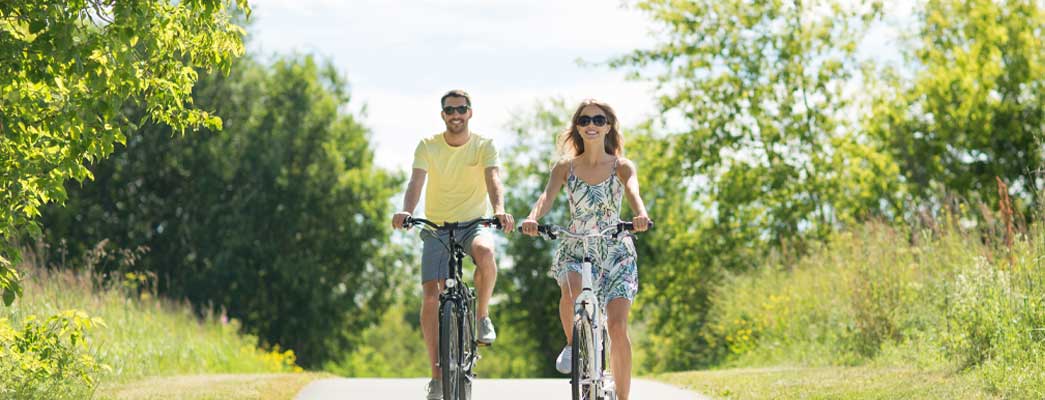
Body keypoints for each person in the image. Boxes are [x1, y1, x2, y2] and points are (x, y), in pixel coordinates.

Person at [520, 99, 650, 400]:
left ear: (608, 126)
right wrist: (532, 218)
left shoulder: (622, 166)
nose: (591, 124)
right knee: (571, 293)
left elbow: (633, 193)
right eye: (584, 120)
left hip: (615, 250)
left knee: (617, 327)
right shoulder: (565, 167)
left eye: (598, 120)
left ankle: (623, 397)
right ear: (577, 127)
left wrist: (640, 215)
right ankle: (573, 343)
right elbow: (546, 197)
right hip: (576, 245)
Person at [392, 89, 514, 400]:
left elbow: (493, 179)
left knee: (486, 252)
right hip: (436, 227)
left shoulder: (483, 145)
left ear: (470, 112)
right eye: (449, 110)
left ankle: (482, 316)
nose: (455, 114)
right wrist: (407, 210)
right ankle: (437, 378)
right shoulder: (428, 146)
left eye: (461, 109)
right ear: (443, 115)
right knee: (431, 295)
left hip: (473, 223)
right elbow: (416, 181)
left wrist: (499, 209)